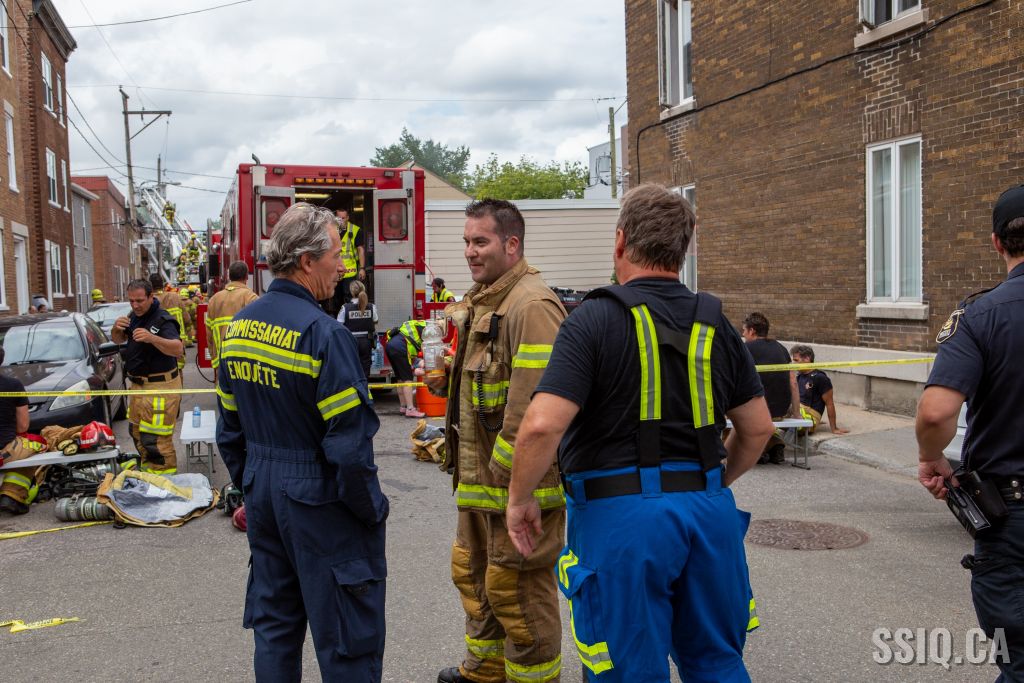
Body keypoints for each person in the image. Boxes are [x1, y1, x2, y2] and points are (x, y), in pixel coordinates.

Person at [506, 184, 773, 682]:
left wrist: (520, 499)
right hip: (709, 514)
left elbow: (541, 425)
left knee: (627, 671)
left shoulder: (592, 320)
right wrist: (713, 484)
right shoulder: (716, 324)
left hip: (622, 523)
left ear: (621, 241)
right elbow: (757, 429)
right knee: (717, 662)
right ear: (683, 248)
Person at [216, 202, 388, 682]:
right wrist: (369, 509)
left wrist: (251, 485)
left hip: (264, 494)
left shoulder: (240, 330)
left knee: (275, 628)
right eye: (336, 254)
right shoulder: (323, 334)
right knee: (348, 638)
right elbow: (349, 446)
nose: (343, 265)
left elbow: (228, 427)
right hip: (319, 500)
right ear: (307, 261)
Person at [421, 198, 567, 683]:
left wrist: (516, 488)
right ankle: (485, 671)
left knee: (517, 594)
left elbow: (531, 413)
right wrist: (445, 379)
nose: (470, 251)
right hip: (479, 483)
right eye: (466, 241)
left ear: (512, 244)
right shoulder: (486, 300)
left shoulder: (532, 306)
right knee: (475, 578)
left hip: (516, 489)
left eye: (480, 241)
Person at [916, 184, 1024, 682]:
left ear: (997, 243)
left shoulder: (982, 315)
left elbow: (936, 414)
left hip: (1013, 517)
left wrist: (931, 457)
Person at [111, 278, 184, 475]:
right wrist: (116, 328)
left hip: (160, 388)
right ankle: (149, 475)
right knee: (136, 432)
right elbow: (118, 339)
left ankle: (164, 482)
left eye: (139, 300)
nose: (135, 305)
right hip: (139, 387)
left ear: (151, 297)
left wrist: (152, 338)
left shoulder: (163, 319)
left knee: (156, 441)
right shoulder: (134, 316)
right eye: (131, 301)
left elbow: (178, 349)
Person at [741, 312, 800, 464]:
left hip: (756, 411)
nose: (743, 335)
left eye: (744, 331)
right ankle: (775, 444)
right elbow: (793, 382)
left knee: (731, 420)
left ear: (752, 331)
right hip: (780, 411)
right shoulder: (781, 348)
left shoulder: (745, 348)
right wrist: (797, 413)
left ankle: (758, 450)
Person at [205, 260, 259, 380]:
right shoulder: (251, 298)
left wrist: (215, 362)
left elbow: (209, 335)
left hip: (221, 363)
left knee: (222, 392)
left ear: (229, 277)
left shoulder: (214, 300)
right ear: (246, 277)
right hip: (245, 365)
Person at [0, 346, 35, 515]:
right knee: (36, 448)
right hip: (5, 449)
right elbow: (23, 426)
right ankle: (13, 494)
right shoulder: (13, 385)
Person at [789, 345, 849, 435]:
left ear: (807, 359)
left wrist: (834, 428)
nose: (794, 363)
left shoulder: (820, 378)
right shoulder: (799, 377)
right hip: (798, 413)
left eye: (796, 360)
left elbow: (829, 404)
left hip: (809, 418)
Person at [385, 318, 426, 417]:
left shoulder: (418, 325)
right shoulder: (427, 329)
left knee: (400, 378)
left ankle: (403, 407)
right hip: (400, 347)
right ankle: (410, 409)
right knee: (407, 379)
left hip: (390, 345)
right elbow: (425, 349)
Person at [328, 208, 366, 317]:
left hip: (350, 271)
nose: (341, 220)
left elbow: (360, 250)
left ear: (348, 218)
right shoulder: (330, 230)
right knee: (335, 297)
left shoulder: (356, 230)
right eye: (338, 218)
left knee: (349, 297)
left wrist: (362, 268)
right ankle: (337, 320)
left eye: (343, 218)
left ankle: (349, 321)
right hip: (334, 271)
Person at [338, 279, 378, 381]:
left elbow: (338, 325)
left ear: (352, 292)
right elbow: (375, 320)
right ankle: (364, 386)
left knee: (352, 366)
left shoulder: (345, 308)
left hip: (350, 341)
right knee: (365, 368)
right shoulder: (371, 307)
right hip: (366, 341)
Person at [151, 273, 189, 369]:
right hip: (177, 341)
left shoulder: (149, 300)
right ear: (163, 284)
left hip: (157, 345)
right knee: (177, 369)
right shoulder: (175, 297)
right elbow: (187, 319)